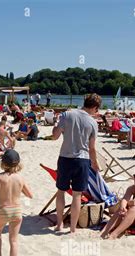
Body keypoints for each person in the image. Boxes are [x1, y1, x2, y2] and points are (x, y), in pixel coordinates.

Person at [49, 93, 100, 233]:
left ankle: (59, 224)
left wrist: (55, 125)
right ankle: (72, 229)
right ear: (95, 107)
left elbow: (54, 136)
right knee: (77, 195)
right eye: (97, 110)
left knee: (61, 192)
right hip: (82, 160)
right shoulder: (93, 123)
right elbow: (92, 148)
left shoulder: (67, 115)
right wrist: (95, 164)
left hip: (65, 158)